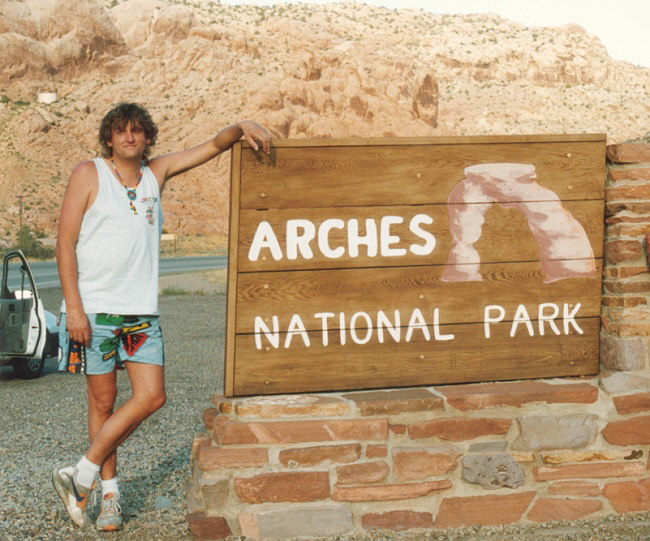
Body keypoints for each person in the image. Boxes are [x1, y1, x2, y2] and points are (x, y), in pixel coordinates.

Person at [52, 102, 271, 531]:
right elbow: (64, 243)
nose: (129, 137)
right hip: (95, 311)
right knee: (103, 402)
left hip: (141, 314)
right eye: (121, 131)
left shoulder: (156, 174)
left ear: (147, 136)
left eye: (137, 131)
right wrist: (73, 307)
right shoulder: (88, 174)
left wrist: (240, 125)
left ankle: (80, 473)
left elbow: (210, 146)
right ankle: (109, 497)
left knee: (152, 396)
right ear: (109, 138)